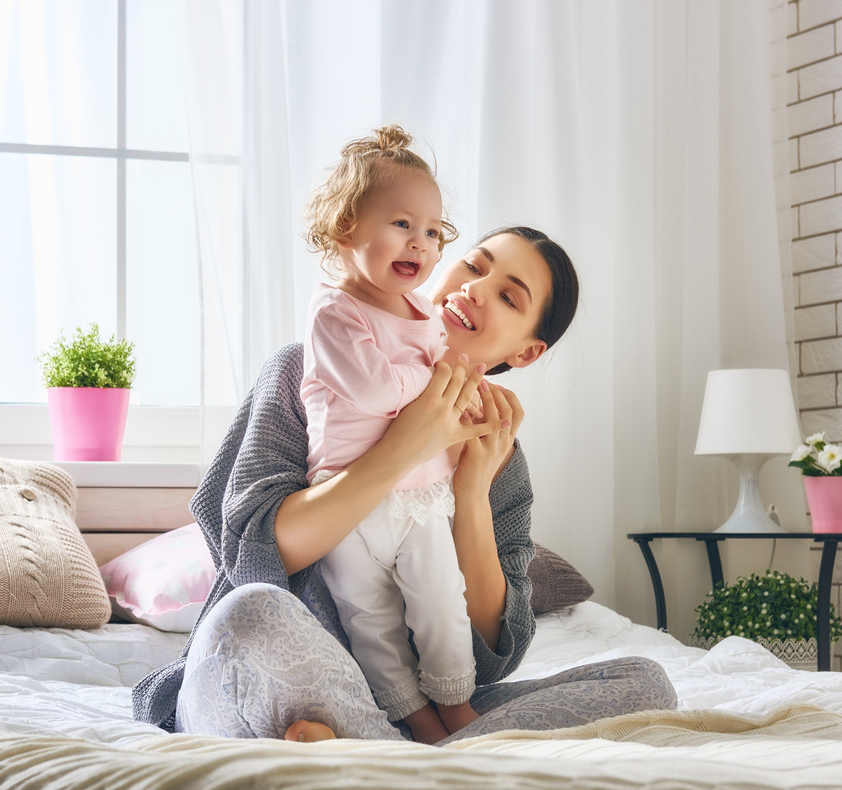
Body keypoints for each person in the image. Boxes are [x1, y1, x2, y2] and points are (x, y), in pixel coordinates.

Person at [132, 222, 677, 744]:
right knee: (245, 617)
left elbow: (491, 650)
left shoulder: (498, 452)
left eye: (509, 297)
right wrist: (404, 448)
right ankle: (433, 750)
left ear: (526, 352)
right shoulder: (307, 370)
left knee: (645, 682)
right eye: (473, 265)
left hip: (433, 707)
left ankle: (380, 748)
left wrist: (471, 492)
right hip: (282, 666)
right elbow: (257, 555)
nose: (475, 289)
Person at [298, 125, 479, 744]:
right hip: (348, 503)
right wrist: (431, 381)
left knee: (440, 604)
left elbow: (445, 389)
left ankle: (456, 705)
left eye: (433, 232)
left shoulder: (427, 315)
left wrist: (441, 385)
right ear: (347, 228)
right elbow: (376, 390)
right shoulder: (334, 312)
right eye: (402, 224)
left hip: (422, 495)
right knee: (368, 620)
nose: (421, 244)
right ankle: (414, 717)